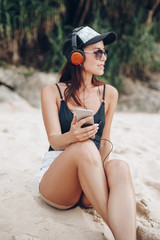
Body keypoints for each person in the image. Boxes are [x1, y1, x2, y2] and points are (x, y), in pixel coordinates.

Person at [38, 26, 137, 240]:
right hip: (58, 185)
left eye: (105, 52)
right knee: (83, 147)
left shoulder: (109, 93)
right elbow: (54, 141)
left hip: (90, 181)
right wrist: (73, 137)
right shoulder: (52, 92)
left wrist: (101, 171)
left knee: (120, 166)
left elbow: (105, 141)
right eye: (98, 52)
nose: (104, 58)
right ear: (77, 56)